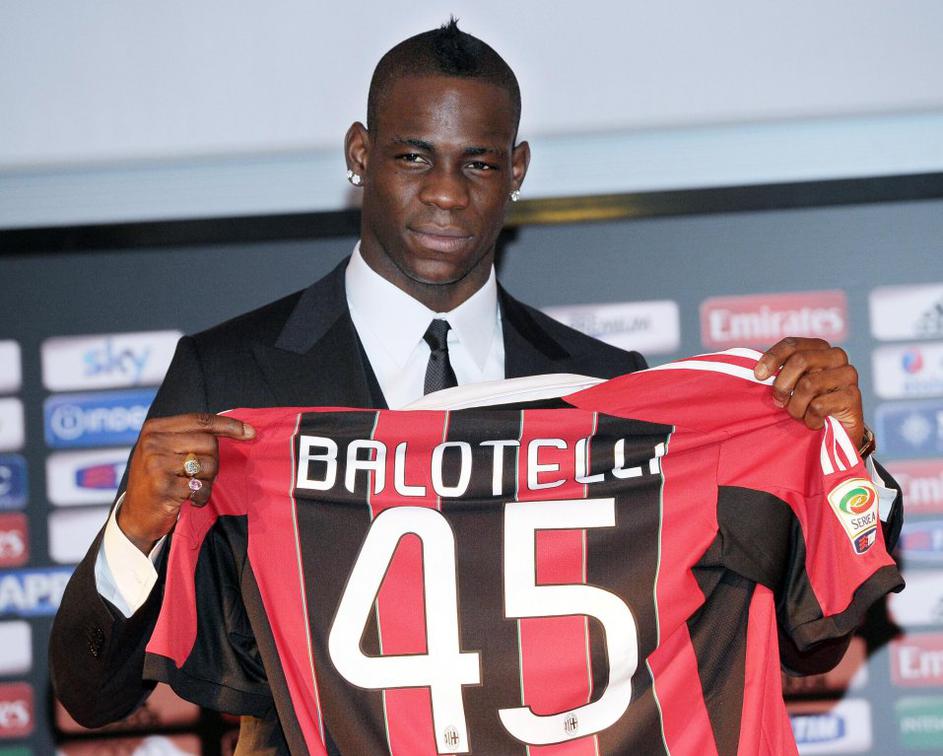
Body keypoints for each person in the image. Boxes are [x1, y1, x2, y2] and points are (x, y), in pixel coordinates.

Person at [50, 19, 897, 754]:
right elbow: (94, 695)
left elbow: (807, 641)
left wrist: (841, 454)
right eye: (413, 156)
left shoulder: (610, 390)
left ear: (516, 169)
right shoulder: (234, 379)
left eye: (478, 163)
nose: (446, 194)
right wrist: (135, 529)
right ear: (359, 155)